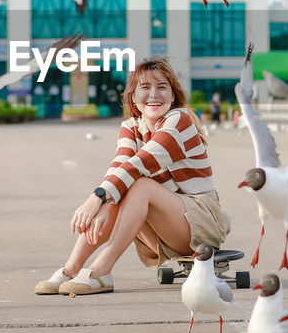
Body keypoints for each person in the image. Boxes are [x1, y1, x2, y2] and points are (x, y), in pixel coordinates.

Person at [36, 57, 231, 295]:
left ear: (173, 95)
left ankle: (102, 270)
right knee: (122, 185)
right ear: (133, 96)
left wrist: (98, 197)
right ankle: (70, 269)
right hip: (162, 229)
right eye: (145, 88)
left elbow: (141, 163)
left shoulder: (180, 120)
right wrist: (107, 202)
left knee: (138, 185)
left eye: (162, 87)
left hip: (201, 222)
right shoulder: (131, 126)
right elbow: (120, 165)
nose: (154, 94)